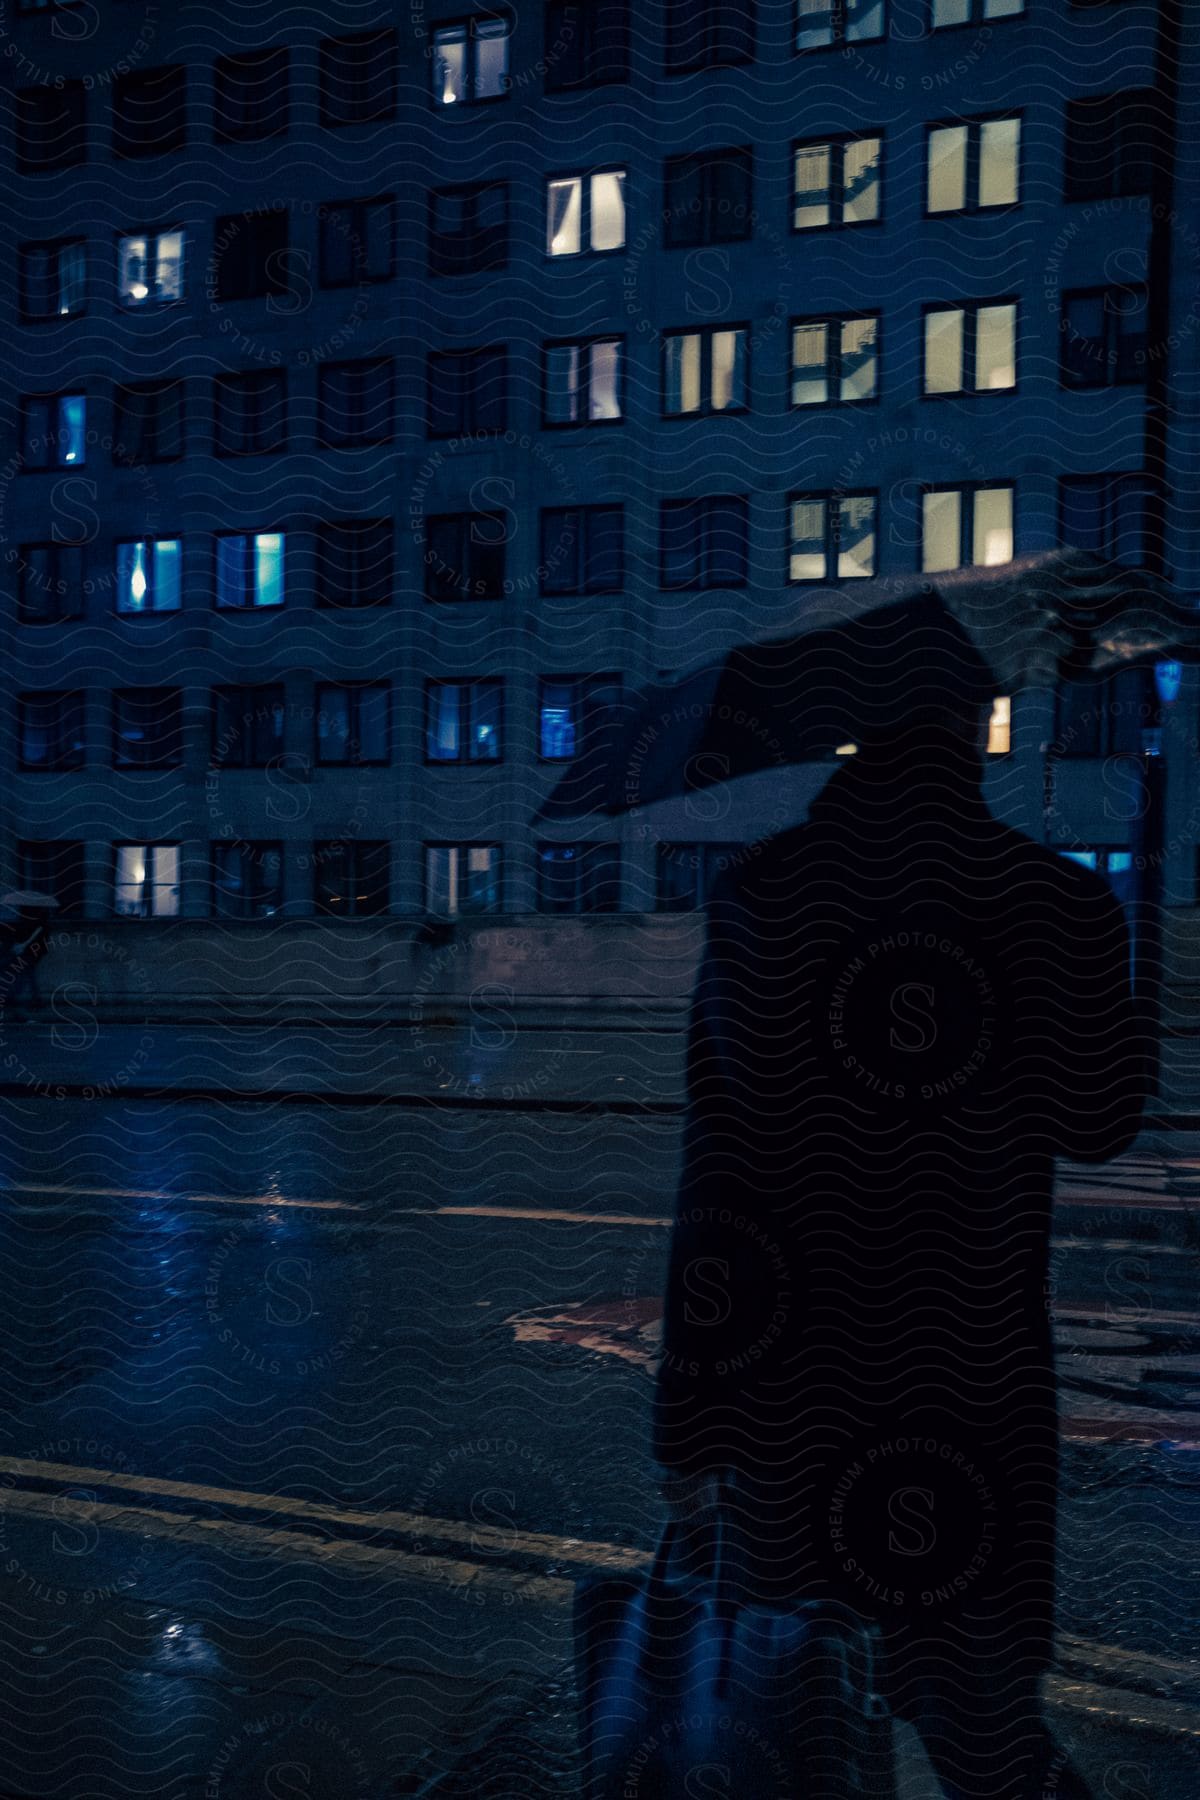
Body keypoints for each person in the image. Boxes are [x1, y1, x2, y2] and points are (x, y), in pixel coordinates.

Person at [653, 600, 1149, 1799]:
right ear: (980, 723)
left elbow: (720, 1170)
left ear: (846, 736)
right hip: (971, 1384)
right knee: (985, 1733)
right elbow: (1100, 1124)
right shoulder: (1055, 902)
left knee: (791, 1726)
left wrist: (691, 1419)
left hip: (792, 1396)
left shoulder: (767, 900)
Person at [0, 908, 50, 1020]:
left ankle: (32, 999)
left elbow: (31, 938)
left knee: (24, 974)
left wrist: (22, 945)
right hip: (32, 953)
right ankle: (35, 1000)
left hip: (29, 952)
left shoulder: (37, 924)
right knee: (28, 975)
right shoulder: (40, 924)